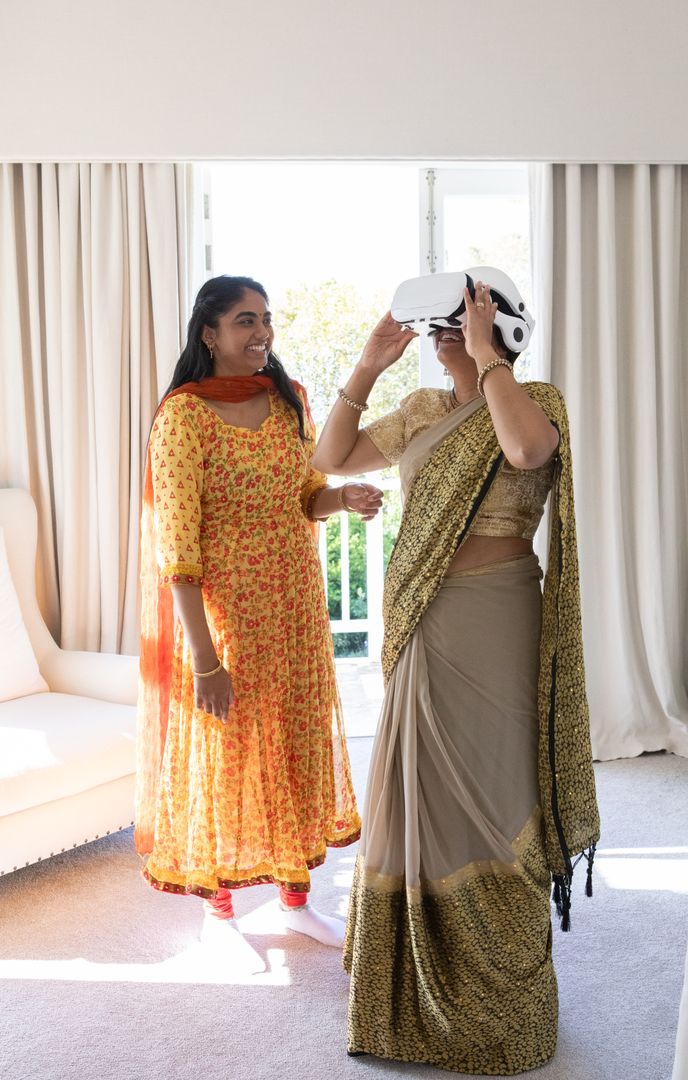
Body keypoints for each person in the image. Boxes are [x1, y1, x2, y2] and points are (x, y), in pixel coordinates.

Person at [312, 276, 600, 1073]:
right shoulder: (421, 413)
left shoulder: (535, 399)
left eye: (459, 321)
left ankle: (502, 991)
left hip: (498, 614)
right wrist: (368, 366)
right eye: (436, 324)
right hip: (423, 619)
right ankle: (407, 991)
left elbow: (526, 453)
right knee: (420, 792)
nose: (443, 335)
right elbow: (327, 459)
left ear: (499, 326)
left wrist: (486, 359)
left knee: (495, 786)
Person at [135, 275, 379, 965]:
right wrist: (205, 662)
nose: (261, 333)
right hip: (224, 619)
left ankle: (295, 902)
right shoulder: (182, 417)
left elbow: (304, 497)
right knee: (228, 756)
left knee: (297, 743)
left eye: (266, 319)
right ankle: (220, 911)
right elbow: (176, 552)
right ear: (209, 334)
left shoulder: (288, 400)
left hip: (296, 611)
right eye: (245, 321)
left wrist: (343, 497)